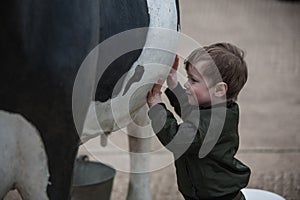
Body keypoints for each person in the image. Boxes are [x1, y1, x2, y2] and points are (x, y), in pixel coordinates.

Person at [146, 43, 251, 200]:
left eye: (194, 80)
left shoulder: (213, 123)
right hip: (205, 192)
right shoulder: (215, 108)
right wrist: (173, 83)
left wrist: (157, 107)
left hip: (218, 196)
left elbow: (176, 139)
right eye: (188, 77)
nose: (187, 84)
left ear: (219, 90)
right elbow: (190, 113)